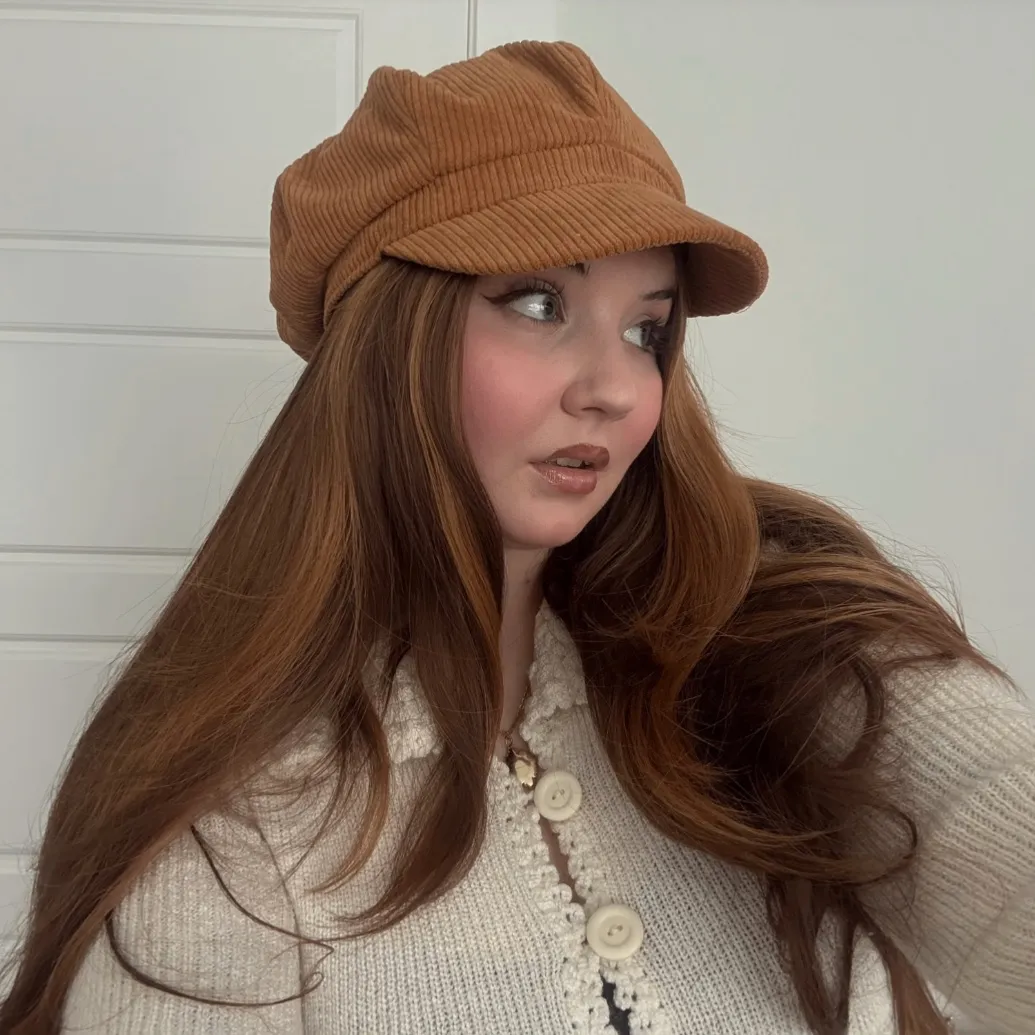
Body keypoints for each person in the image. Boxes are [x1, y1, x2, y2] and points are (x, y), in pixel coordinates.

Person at [1, 39, 1032, 1035]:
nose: (616, 387)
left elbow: (985, 810)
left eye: (647, 329)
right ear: (388, 345)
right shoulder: (240, 820)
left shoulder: (775, 644)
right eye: (540, 303)